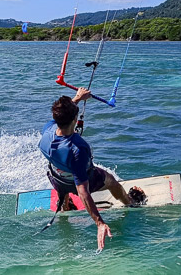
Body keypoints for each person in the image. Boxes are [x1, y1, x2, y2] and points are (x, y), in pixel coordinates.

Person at [38, 87, 144, 250]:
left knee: (64, 175)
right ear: (75, 119)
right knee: (110, 180)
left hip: (55, 178)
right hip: (74, 181)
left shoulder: (48, 131)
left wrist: (77, 98)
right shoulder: (77, 149)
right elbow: (83, 191)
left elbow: (62, 116)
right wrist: (99, 222)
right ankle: (129, 202)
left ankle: (65, 207)